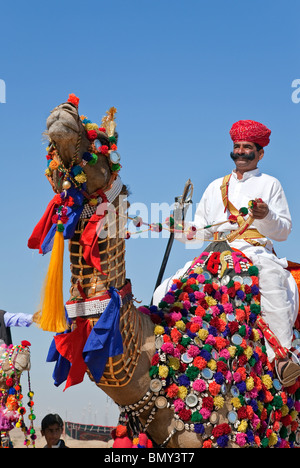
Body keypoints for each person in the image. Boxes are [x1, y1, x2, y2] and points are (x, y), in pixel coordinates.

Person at [153, 119, 300, 386]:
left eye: (247, 147)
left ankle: (282, 358)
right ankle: (161, 345)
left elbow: (283, 231)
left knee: (271, 281)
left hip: (254, 253)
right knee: (167, 287)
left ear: (260, 152)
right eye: (237, 146)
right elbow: (203, 231)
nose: (241, 151)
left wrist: (265, 216)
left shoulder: (270, 184)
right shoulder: (214, 187)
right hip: (216, 254)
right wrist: (180, 229)